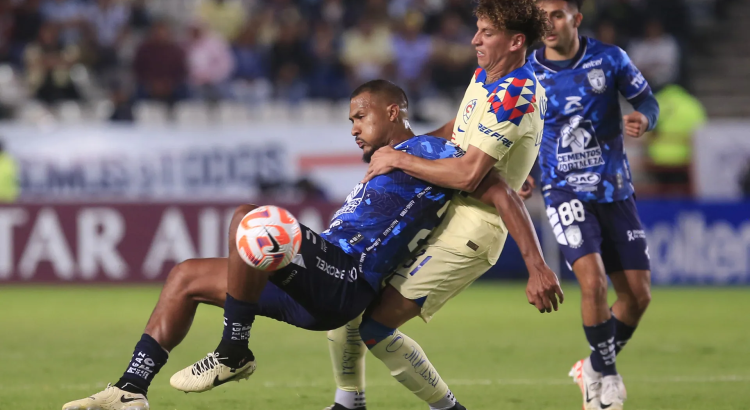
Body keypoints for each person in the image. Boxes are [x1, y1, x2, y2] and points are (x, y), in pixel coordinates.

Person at [61, 80, 559, 410]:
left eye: (359, 117)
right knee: (186, 275)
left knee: (252, 220)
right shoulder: (404, 152)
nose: (353, 128)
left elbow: (498, 191)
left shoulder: (434, 155)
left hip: (346, 281)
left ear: (392, 111)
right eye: (349, 122)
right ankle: (131, 390)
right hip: (315, 282)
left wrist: (536, 263)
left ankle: (234, 349)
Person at [323, 1, 558, 409]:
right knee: (350, 296)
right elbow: (455, 130)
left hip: (472, 231)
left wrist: (398, 158)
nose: (474, 40)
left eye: (486, 32)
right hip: (443, 209)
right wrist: (407, 147)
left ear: (516, 41)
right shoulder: (485, 76)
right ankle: (348, 402)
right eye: (478, 29)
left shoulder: (516, 93)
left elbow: (470, 175)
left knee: (376, 326)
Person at [529, 1, 661, 409]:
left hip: (615, 189)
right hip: (563, 191)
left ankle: (592, 367)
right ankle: (606, 376)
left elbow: (649, 103)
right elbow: (511, 130)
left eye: (555, 14)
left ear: (575, 18)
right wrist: (519, 174)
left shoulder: (610, 58)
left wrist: (643, 119)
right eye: (540, 17)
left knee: (638, 296)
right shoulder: (527, 74)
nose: (547, 24)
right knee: (594, 282)